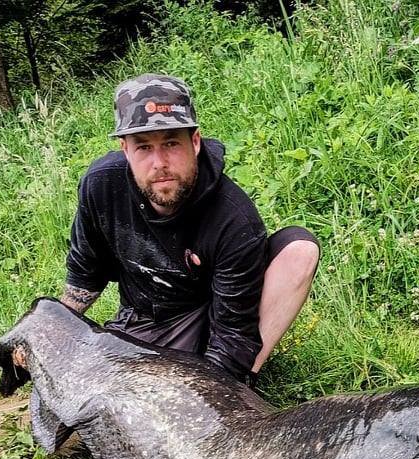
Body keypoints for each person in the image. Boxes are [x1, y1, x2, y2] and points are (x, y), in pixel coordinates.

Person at [61, 74, 320, 387]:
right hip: (144, 319)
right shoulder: (101, 186)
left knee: (300, 250)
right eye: (143, 147)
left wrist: (209, 391)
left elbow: (233, 333)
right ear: (125, 150)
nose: (159, 163)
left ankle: (238, 387)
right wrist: (51, 336)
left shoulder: (233, 217)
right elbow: (84, 278)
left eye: (171, 143)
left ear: (194, 142)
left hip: (215, 317)